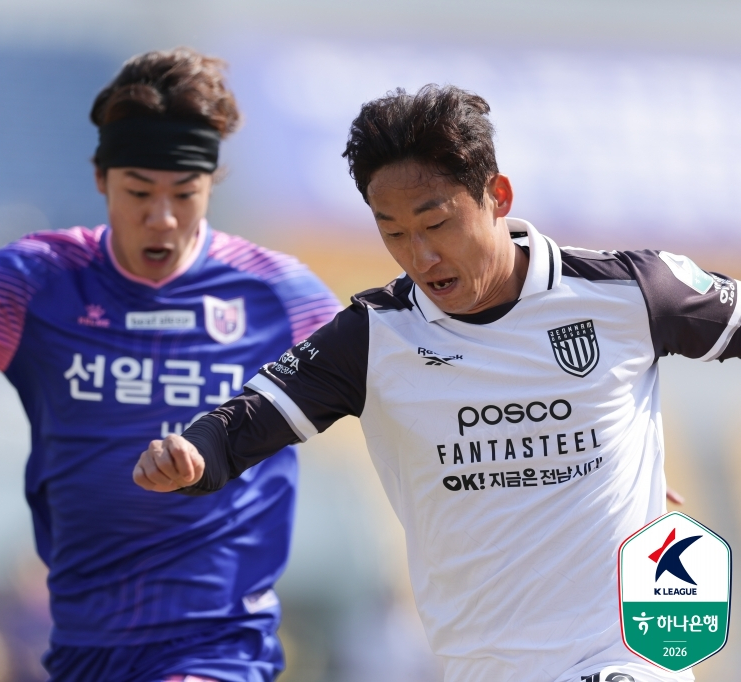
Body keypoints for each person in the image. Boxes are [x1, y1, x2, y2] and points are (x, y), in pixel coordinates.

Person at [134, 84, 739, 682]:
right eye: (394, 233)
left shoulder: (632, 293)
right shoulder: (373, 337)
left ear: (497, 196)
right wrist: (192, 454)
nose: (421, 256)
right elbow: (242, 424)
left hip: (623, 660)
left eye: (437, 223)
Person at [0, 48, 341, 682]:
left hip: (218, 648)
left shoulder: (281, 296)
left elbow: (386, 383)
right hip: (83, 648)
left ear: (210, 186)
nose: (162, 218)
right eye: (139, 192)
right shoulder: (34, 282)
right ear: (101, 179)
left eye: (185, 194)